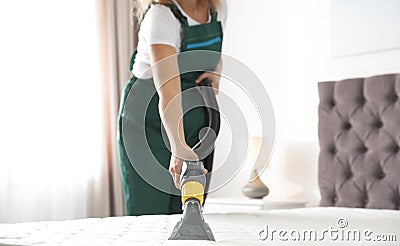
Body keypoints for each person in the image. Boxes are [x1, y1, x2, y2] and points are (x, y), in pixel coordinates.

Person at [117, 0, 227, 216]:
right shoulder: (161, 16)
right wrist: (178, 146)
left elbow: (215, 53)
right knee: (151, 212)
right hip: (148, 122)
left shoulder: (217, 9)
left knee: (187, 210)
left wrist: (217, 71)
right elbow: (169, 92)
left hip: (193, 119)